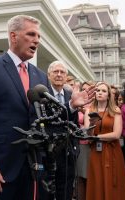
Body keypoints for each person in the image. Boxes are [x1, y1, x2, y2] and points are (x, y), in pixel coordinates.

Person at [0, 15, 95, 200]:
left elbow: (46, 121)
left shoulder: (40, 76)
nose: (37, 40)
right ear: (13, 36)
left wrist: (72, 106)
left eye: (39, 37)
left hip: (33, 170)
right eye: (31, 34)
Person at [84, 82, 125, 200]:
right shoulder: (89, 110)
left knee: (113, 182)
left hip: (112, 151)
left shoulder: (115, 110)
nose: (100, 93)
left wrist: (97, 137)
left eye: (104, 91)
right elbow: (87, 135)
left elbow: (116, 134)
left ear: (109, 95)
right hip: (96, 151)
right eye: (98, 90)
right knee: (97, 180)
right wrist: (91, 123)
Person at [46, 60, 79, 200]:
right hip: (48, 152)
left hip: (68, 152)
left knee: (65, 189)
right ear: (48, 75)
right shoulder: (43, 93)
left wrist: (75, 148)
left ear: (66, 76)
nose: (59, 75)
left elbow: (75, 123)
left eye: (62, 72)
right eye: (55, 72)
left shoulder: (70, 94)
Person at [75, 81, 95, 200]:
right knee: (80, 177)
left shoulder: (95, 106)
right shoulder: (77, 105)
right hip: (80, 145)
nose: (87, 91)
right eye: (85, 89)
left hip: (93, 144)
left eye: (90, 89)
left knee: (91, 176)